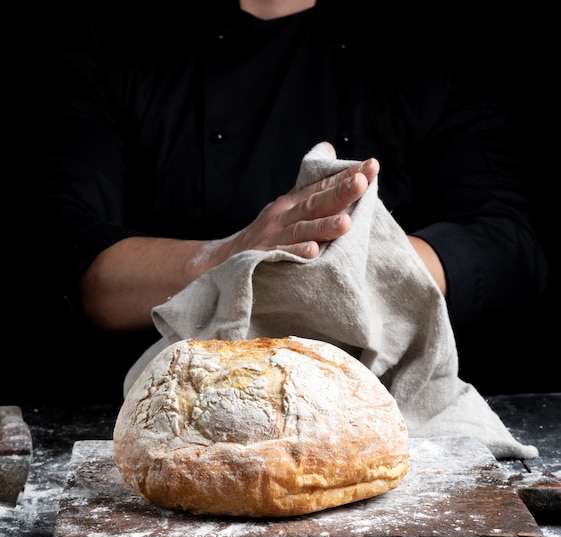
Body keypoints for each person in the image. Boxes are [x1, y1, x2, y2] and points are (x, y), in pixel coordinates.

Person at [3, 1, 550, 406]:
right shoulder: (112, 36)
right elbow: (59, 250)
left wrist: (357, 259)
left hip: (378, 412)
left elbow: (507, 245)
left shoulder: (425, 44)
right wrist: (240, 254)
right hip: (157, 411)